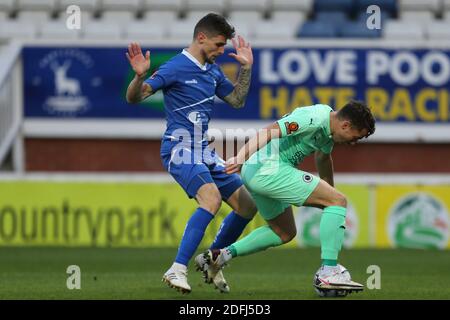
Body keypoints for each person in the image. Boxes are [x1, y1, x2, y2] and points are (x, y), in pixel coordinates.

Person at [125, 13, 257, 294]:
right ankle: (177, 268)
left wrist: (246, 69)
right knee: (210, 199)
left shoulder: (212, 71)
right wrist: (139, 77)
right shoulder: (175, 67)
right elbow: (135, 97)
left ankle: (214, 260)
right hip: (179, 147)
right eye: (219, 45)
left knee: (248, 204)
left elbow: (236, 101)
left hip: (204, 150)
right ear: (201, 38)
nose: (222, 51)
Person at [200, 100, 376, 294]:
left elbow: (323, 158)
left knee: (283, 232)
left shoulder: (329, 131)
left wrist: (329, 196)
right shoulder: (313, 118)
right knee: (339, 200)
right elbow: (268, 131)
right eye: (355, 137)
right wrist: (240, 157)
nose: (353, 142)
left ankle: (221, 256)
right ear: (345, 125)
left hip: (259, 171)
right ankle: (329, 272)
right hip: (267, 168)